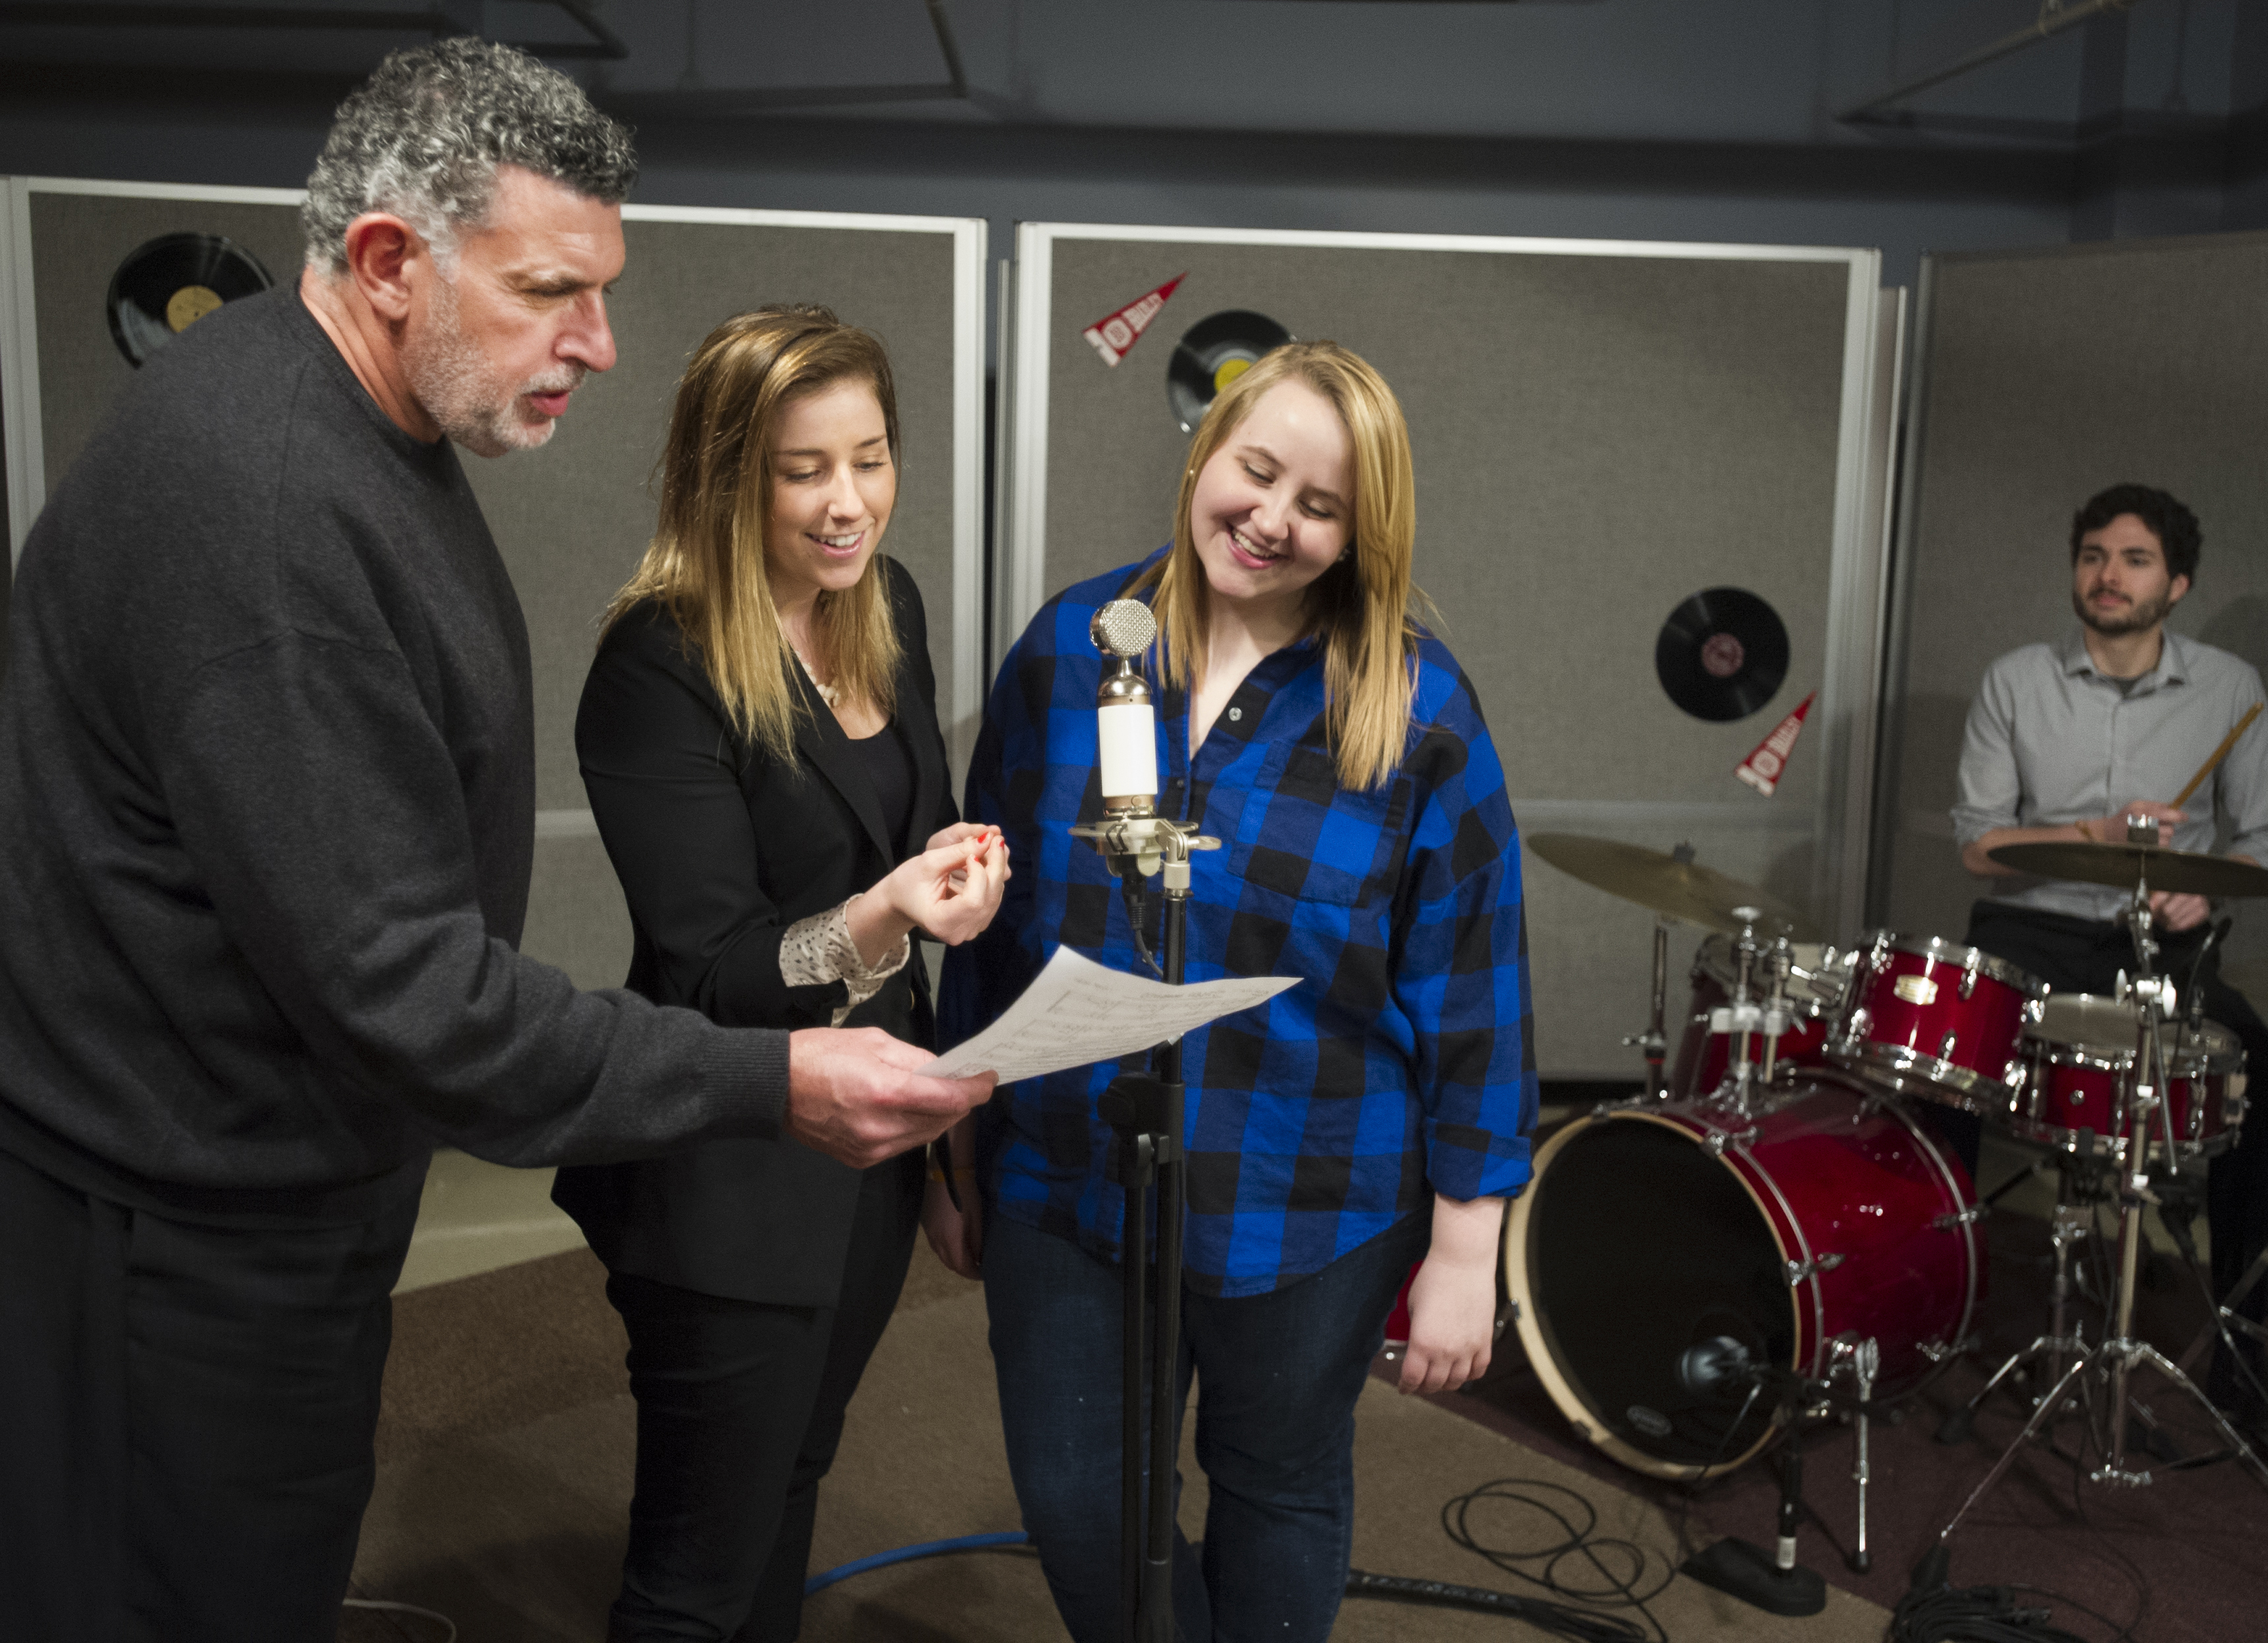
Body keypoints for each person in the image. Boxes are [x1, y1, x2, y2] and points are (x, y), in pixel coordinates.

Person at [0, 45, 990, 1642]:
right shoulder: (265, 506)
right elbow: (407, 985)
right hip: (177, 1243)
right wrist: (773, 1078)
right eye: (550, 292)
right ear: (390, 264)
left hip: (273, 1191)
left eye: (600, 291)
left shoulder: (342, 420)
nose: (598, 345)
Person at [936, 342, 1538, 1642]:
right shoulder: (1073, 647)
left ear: (1361, 529)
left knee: (1274, 1484)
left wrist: (1462, 1251)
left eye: (1319, 504)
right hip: (1067, 1167)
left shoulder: (1414, 708)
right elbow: (992, 922)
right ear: (1202, 455)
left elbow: (1477, 991)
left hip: (1310, 1185)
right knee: (1079, 1496)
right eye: (1255, 472)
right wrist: (955, 1139)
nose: (1271, 519)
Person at [553, 305, 1009, 1643]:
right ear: (726, 473)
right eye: (803, 467)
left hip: (866, 1154)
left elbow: (892, 832)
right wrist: (881, 916)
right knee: (694, 1580)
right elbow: (707, 972)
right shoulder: (660, 659)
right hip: (728, 1171)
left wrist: (948, 871)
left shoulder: (887, 605)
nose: (846, 502)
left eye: (868, 458)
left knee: (790, 1483)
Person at [1951, 481, 2268, 1411]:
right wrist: (2094, 837)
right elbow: (1979, 846)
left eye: (2134, 559)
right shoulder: (2014, 679)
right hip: (2029, 930)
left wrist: (2204, 882)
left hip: (2159, 949)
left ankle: (2236, 1349)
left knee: (2264, 1089)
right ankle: (1931, 1310)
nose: (2108, 576)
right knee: (1940, 1069)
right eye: (2093, 555)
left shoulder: (2229, 689)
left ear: (2176, 583)